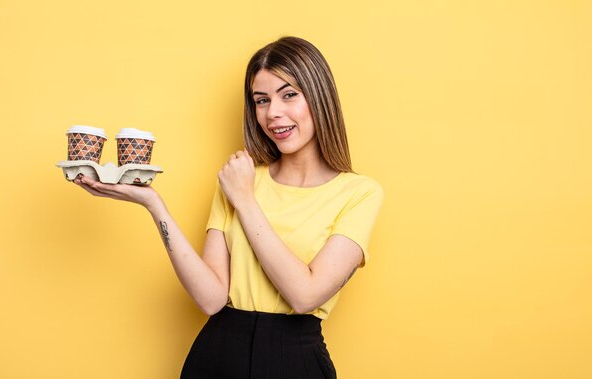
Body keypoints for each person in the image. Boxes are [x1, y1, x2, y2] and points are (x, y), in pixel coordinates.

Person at [74, 36, 383, 379]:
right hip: (217, 353)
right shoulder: (239, 178)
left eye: (289, 94)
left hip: (295, 360)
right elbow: (211, 299)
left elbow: (305, 295)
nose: (273, 113)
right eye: (261, 100)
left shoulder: (358, 193)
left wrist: (245, 200)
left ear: (319, 96)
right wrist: (154, 205)